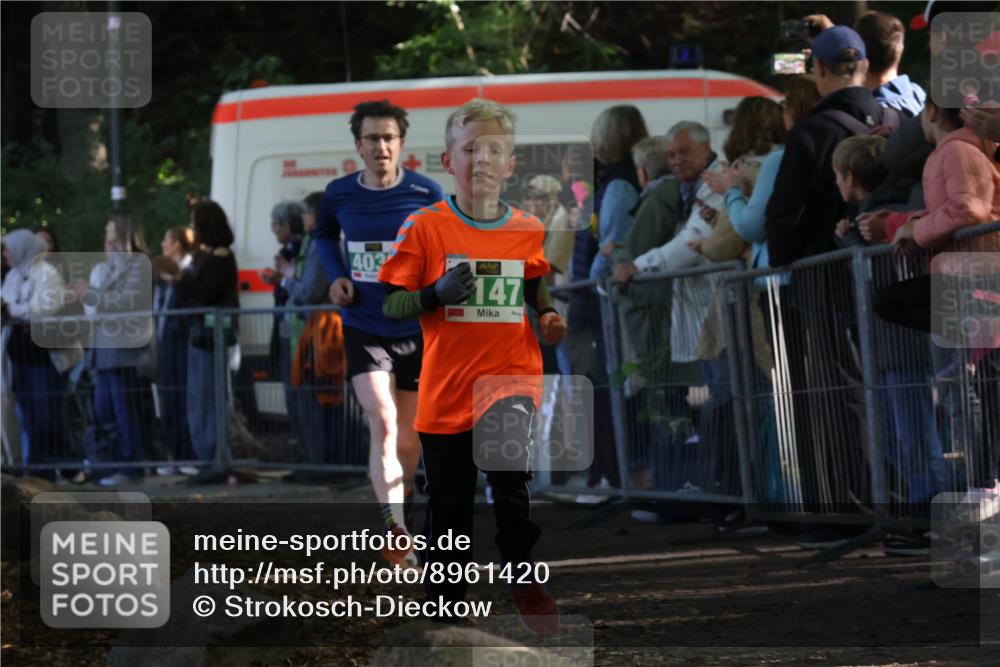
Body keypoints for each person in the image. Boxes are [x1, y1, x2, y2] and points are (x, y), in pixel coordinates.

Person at [378, 97, 566, 636]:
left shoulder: (526, 227)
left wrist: (548, 312)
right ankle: (446, 607)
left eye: (495, 151)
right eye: (470, 150)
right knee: (450, 508)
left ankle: (523, 576)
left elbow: (534, 282)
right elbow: (391, 302)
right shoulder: (425, 228)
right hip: (446, 387)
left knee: (511, 487)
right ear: (448, 160)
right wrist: (433, 294)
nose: (482, 160)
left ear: (511, 164)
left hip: (510, 377)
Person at [314, 100, 444, 565]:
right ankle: (395, 526)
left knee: (408, 438)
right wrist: (336, 276)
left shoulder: (426, 193)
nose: (381, 146)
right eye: (372, 138)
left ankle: (400, 508)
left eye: (389, 137)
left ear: (401, 144)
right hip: (362, 323)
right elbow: (324, 237)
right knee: (383, 421)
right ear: (358, 146)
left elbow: (446, 247)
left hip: (413, 324)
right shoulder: (338, 194)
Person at [872, 94, 1000, 522]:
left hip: (980, 283)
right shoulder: (959, 151)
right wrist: (908, 224)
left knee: (983, 400)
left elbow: (970, 207)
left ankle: (985, 491)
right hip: (973, 286)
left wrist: (918, 229)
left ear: (930, 114)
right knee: (978, 398)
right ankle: (983, 493)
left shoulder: (958, 150)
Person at [165, 200, 240, 467]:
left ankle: (215, 456)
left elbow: (206, 295)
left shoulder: (220, 257)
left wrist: (180, 280)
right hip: (199, 337)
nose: (192, 227)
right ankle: (206, 456)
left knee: (210, 399)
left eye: (195, 221)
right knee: (198, 400)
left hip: (214, 338)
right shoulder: (203, 256)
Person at [1, 229, 80, 477]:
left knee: (47, 415)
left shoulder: (46, 273)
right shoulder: (14, 275)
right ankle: (39, 472)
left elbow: (44, 307)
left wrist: (12, 309)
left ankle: (64, 465)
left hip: (44, 359)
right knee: (31, 418)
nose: (5, 255)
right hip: (21, 359)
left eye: (8, 250)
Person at [88, 214, 154, 486]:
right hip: (105, 349)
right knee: (107, 411)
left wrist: (90, 295)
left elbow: (128, 301)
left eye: (110, 227)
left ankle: (131, 467)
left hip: (122, 350)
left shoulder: (138, 265)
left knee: (124, 410)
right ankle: (116, 465)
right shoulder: (114, 264)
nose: (106, 231)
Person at [278, 192, 339, 464]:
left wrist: (289, 279)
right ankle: (314, 459)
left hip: (318, 333)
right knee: (307, 401)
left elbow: (311, 290)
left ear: (316, 215)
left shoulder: (320, 245)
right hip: (307, 332)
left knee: (316, 401)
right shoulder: (312, 243)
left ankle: (321, 461)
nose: (302, 218)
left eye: (306, 212)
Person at [153, 226, 197, 476]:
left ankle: (188, 455)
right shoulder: (164, 278)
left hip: (182, 343)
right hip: (165, 344)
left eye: (166, 240)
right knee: (169, 400)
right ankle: (174, 454)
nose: (162, 244)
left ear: (177, 245)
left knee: (183, 399)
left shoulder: (189, 272)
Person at [589, 105, 647, 281]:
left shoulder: (619, 186)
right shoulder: (620, 179)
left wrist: (594, 280)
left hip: (609, 292)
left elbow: (613, 243)